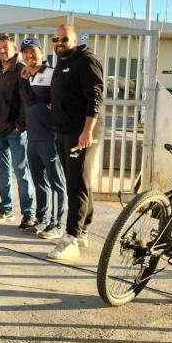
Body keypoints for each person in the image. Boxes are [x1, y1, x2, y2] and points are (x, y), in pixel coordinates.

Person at [47, 24, 104, 261]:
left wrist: (87, 131)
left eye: (64, 39)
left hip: (81, 131)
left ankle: (71, 237)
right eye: (55, 39)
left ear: (75, 39)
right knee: (80, 182)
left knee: (76, 185)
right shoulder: (62, 61)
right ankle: (82, 230)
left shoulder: (86, 61)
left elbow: (95, 97)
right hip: (63, 131)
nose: (59, 43)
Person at [19, 37, 67, 239]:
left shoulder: (52, 74)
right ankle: (42, 220)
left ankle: (57, 224)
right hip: (33, 138)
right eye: (26, 52)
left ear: (41, 51)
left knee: (56, 182)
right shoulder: (26, 76)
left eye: (33, 51)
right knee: (39, 182)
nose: (30, 55)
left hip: (50, 138)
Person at [0, 35, 35, 225]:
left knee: (22, 173)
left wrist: (19, 126)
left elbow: (27, 101)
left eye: (5, 47)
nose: (2, 50)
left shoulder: (22, 70)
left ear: (14, 48)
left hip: (15, 132)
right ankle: (6, 209)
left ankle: (28, 213)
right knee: (1, 172)